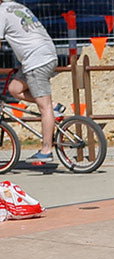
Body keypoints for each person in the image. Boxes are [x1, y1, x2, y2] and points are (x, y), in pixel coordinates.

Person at [0, 0, 58, 166]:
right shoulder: (16, 6)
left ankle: (46, 151)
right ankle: (54, 106)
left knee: (43, 107)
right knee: (14, 88)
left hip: (36, 60)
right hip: (44, 54)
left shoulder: (1, 13)